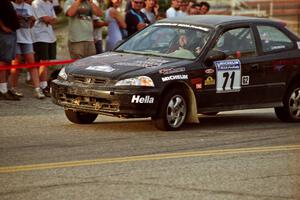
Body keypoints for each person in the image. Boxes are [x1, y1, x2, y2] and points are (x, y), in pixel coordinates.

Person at [11, 0, 45, 99]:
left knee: (32, 63)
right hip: (15, 38)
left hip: (27, 39)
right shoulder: (11, 5)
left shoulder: (28, 6)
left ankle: (37, 89)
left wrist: (31, 20)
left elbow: (31, 23)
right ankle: (13, 87)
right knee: (16, 64)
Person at [32, 0, 58, 97]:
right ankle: (42, 87)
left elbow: (55, 20)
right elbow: (45, 19)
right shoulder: (37, 2)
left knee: (46, 62)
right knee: (43, 61)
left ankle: (43, 85)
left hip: (50, 36)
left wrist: (50, 19)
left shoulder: (49, 3)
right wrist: (49, 19)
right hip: (40, 36)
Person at [0, 0, 20, 100]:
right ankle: (2, 90)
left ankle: (5, 88)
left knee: (8, 62)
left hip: (12, 32)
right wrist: (3, 27)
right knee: (3, 61)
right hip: (4, 34)